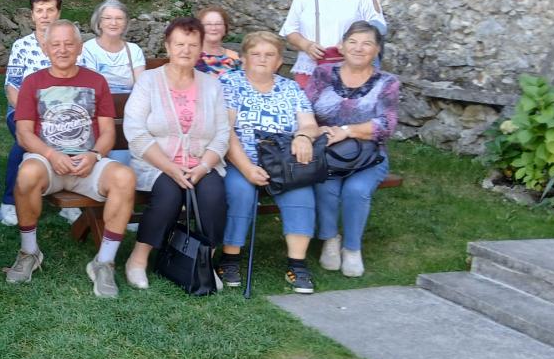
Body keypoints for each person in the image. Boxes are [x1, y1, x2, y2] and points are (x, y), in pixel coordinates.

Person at [12, 20, 138, 298]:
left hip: (88, 163)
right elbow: (23, 133)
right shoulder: (33, 82)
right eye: (55, 44)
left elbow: (107, 132)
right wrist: (50, 154)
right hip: (47, 162)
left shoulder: (96, 81)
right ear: (46, 49)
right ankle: (29, 252)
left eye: (69, 44)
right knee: (27, 174)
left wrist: (94, 155)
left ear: (80, 47)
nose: (62, 49)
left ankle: (104, 262)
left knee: (125, 178)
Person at [121, 17, 230, 290]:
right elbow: (134, 130)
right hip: (156, 163)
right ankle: (138, 259)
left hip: (200, 164)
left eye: (192, 45)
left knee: (214, 195)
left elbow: (222, 133)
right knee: (168, 194)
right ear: (168, 47)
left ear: (201, 48)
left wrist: (204, 166)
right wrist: (170, 167)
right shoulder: (148, 81)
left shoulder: (212, 85)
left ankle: (204, 262)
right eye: (179, 44)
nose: (185, 50)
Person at [221, 31, 325, 294]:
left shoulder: (290, 88)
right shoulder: (229, 83)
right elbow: (225, 131)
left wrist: (303, 136)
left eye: (269, 55)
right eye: (255, 54)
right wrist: (247, 168)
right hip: (240, 159)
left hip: (282, 162)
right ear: (244, 58)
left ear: (279, 61)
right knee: (240, 191)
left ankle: (297, 265)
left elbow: (309, 124)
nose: (262, 59)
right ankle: (230, 259)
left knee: (300, 191)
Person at [304, 21, 399, 278]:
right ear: (342, 46)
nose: (359, 48)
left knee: (356, 191)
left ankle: (352, 248)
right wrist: (316, 129)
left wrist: (346, 131)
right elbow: (303, 108)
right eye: (353, 42)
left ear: (377, 50)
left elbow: (387, 124)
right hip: (326, 153)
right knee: (326, 186)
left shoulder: (387, 82)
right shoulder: (323, 73)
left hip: (368, 155)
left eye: (367, 43)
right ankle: (330, 239)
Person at [280, 0, 386, 88]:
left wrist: (349, 43)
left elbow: (378, 25)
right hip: (310, 68)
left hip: (350, 69)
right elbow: (290, 30)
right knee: (308, 103)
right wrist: (307, 45)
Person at [0, 0, 62, 225]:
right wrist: (30, 115)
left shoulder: (67, 44)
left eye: (50, 10)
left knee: (72, 138)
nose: (45, 15)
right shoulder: (21, 46)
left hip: (61, 112)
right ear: (32, 15)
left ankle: (70, 197)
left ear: (58, 13)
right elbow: (12, 87)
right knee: (25, 140)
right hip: (23, 111)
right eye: (40, 10)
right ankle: (10, 201)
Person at [78, 0, 145, 94]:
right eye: (108, 18)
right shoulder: (87, 49)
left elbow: (141, 87)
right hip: (99, 101)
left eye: (119, 18)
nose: (113, 23)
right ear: (99, 22)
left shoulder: (134, 50)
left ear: (125, 23)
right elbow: (92, 86)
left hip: (130, 102)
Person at [195, 5, 241, 78]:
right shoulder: (191, 56)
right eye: (208, 24)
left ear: (225, 28)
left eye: (218, 24)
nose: (213, 28)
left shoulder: (235, 58)